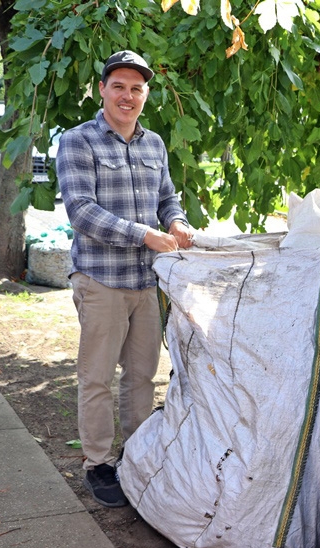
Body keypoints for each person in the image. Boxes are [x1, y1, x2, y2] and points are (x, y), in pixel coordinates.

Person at [57, 50, 193, 508]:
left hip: (146, 283)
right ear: (102, 90)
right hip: (100, 280)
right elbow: (82, 212)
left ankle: (135, 458)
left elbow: (168, 199)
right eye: (119, 86)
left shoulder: (154, 145)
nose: (127, 96)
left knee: (142, 377)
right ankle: (97, 464)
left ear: (146, 95)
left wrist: (176, 223)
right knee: (96, 377)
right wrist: (145, 236)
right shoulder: (79, 141)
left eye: (136, 88)